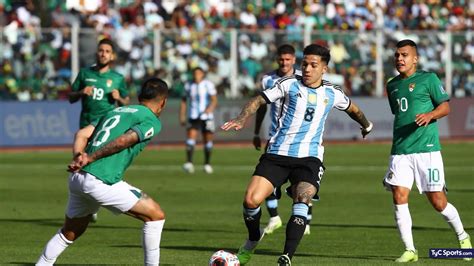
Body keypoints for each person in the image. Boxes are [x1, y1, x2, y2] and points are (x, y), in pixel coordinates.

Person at [222, 44, 373, 266]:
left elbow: (353, 109)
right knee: (250, 200)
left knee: (303, 198)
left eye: (313, 65)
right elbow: (258, 100)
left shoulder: (332, 92)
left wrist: (366, 125)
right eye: (305, 64)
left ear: (324, 68)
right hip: (278, 153)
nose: (308, 69)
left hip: (309, 159)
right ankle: (253, 238)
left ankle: (286, 257)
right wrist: (242, 117)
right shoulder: (288, 84)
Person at [36, 78, 170, 265]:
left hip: (78, 178)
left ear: (139, 96)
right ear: (163, 102)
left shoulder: (114, 110)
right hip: (100, 180)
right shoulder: (150, 119)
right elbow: (125, 140)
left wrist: (79, 157)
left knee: (70, 232)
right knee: (155, 216)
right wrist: (90, 158)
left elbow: (81, 134)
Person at [383, 39, 472, 263]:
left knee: (438, 201)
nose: (400, 59)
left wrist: (430, 115)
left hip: (427, 149)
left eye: (404, 55)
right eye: (397, 55)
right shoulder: (392, 85)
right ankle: (410, 250)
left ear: (415, 58)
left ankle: (462, 236)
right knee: (399, 195)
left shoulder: (428, 79)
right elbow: (399, 113)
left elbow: (445, 107)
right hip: (400, 150)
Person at [253, 44, 312, 236]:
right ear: (277, 59)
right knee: (267, 177)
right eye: (281, 59)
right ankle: (274, 217)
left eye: (288, 59)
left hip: (299, 138)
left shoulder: (303, 78)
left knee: (301, 180)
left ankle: (305, 219)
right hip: (274, 136)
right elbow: (262, 106)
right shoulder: (268, 79)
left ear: (294, 60)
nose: (284, 62)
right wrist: (256, 132)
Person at [69, 38, 130, 129]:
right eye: (101, 51)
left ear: (112, 56)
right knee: (81, 139)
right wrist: (81, 92)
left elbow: (126, 103)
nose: (103, 54)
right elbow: (71, 98)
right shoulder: (84, 73)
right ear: (96, 53)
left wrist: (119, 98)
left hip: (106, 124)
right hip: (86, 122)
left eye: (107, 51)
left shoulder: (118, 78)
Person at [179, 67, 218, 174]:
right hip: (193, 115)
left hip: (207, 117)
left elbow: (214, 100)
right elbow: (183, 101)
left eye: (198, 73)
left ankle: (207, 164)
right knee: (190, 138)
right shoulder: (188, 85)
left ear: (202, 74)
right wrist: (182, 115)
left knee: (207, 139)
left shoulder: (208, 84)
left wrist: (208, 109)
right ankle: (189, 163)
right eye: (195, 73)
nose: (196, 75)